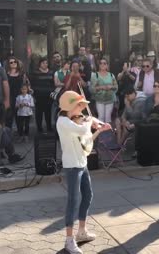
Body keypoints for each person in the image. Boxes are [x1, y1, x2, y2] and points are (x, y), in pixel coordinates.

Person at [56, 90, 111, 254]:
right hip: (72, 166)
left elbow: (86, 140)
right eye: (80, 105)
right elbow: (81, 130)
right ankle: (69, 240)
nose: (82, 109)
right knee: (73, 201)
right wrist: (91, 119)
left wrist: (99, 130)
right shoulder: (63, 122)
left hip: (82, 163)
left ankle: (81, 232)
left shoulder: (77, 122)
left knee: (88, 195)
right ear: (71, 105)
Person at [30, 57, 54, 133]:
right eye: (43, 63)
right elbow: (32, 83)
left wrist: (52, 91)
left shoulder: (51, 72)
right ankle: (39, 128)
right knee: (39, 113)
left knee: (48, 112)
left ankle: (49, 128)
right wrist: (33, 92)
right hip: (38, 95)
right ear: (40, 64)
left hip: (48, 96)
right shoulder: (35, 73)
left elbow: (53, 83)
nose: (45, 64)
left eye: (46, 63)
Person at [90, 58, 117, 123]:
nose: (102, 65)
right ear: (98, 65)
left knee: (108, 118)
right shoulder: (95, 75)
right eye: (101, 63)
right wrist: (102, 87)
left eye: (104, 63)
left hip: (110, 99)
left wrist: (111, 87)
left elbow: (116, 87)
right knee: (100, 117)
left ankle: (108, 132)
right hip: (99, 100)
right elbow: (92, 89)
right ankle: (101, 132)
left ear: (107, 65)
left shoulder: (111, 75)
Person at [6, 57, 30, 130]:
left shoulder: (22, 74)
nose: (13, 63)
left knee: (20, 116)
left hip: (20, 97)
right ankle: (8, 133)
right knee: (9, 116)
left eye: (15, 62)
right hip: (10, 97)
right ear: (8, 64)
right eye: (11, 62)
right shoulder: (5, 74)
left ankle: (21, 134)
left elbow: (27, 84)